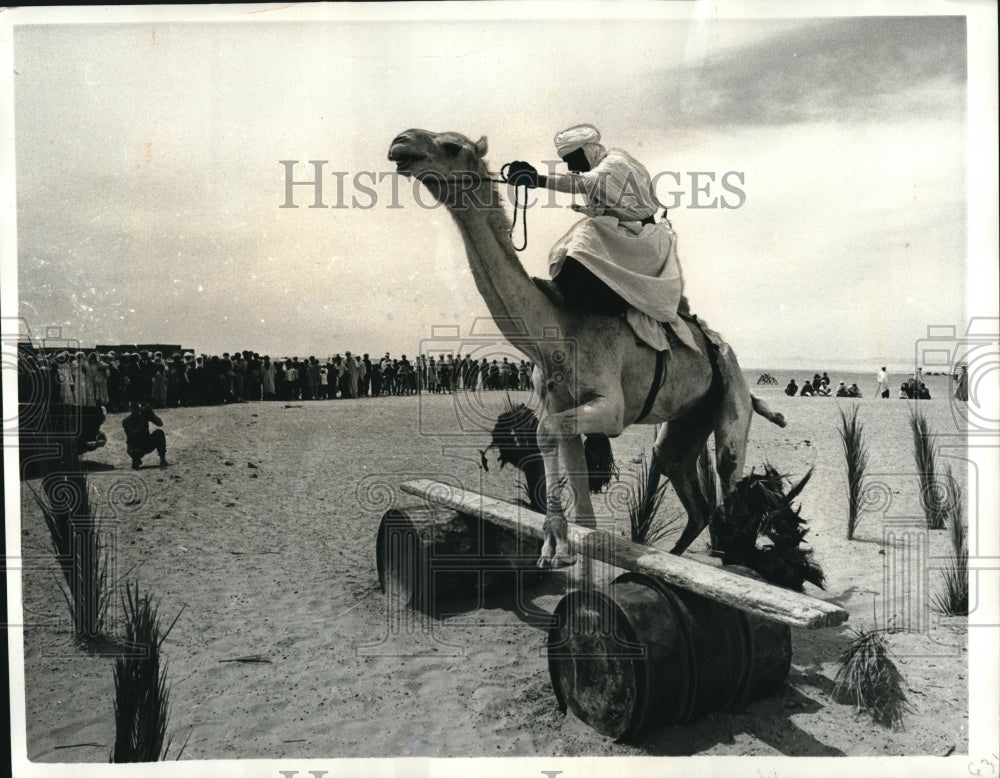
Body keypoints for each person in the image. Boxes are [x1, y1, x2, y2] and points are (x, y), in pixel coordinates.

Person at [506, 124, 686, 334]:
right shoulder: (603, 167)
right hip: (629, 238)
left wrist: (537, 180)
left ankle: (564, 287)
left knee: (587, 232)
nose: (571, 166)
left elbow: (584, 183)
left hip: (644, 242)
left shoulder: (614, 164)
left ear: (586, 150)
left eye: (572, 159)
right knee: (581, 236)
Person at [123, 402, 168, 469]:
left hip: (147, 443)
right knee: (134, 452)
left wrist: (151, 413)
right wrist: (142, 420)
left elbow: (160, 423)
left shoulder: (143, 415)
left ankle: (163, 460)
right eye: (134, 408)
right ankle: (135, 460)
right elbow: (134, 435)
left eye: (136, 408)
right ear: (130, 410)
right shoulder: (127, 421)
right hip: (135, 447)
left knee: (159, 433)